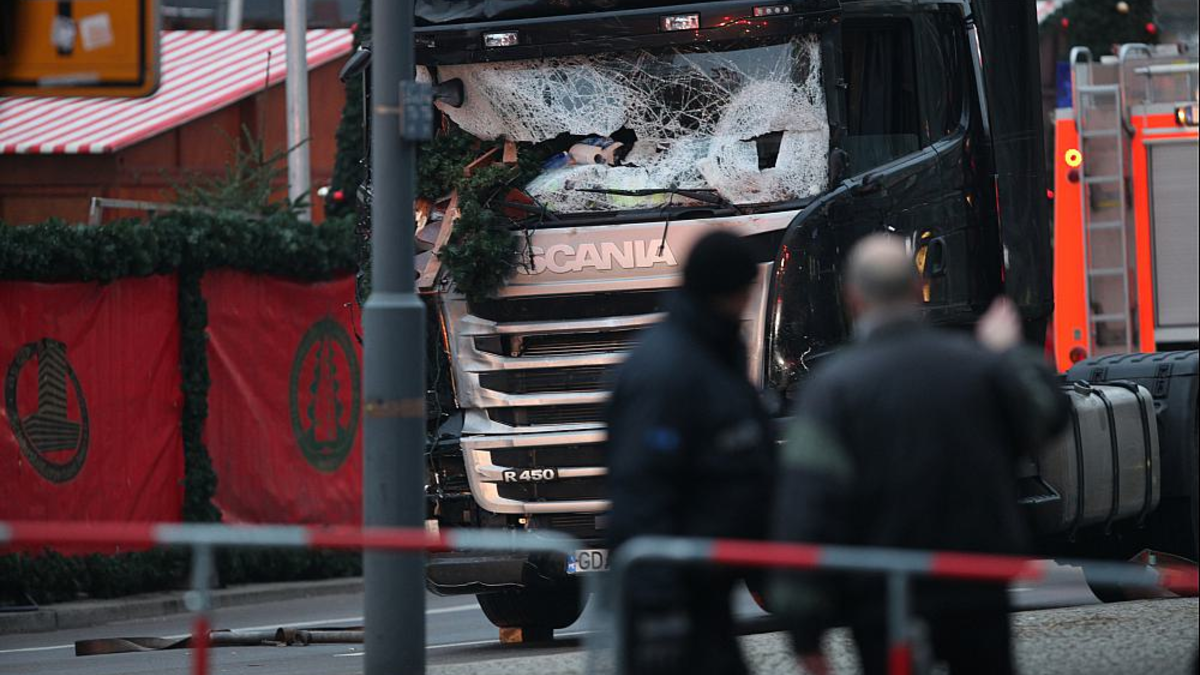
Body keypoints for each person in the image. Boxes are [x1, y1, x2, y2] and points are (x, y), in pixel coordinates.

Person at [770, 234, 1069, 675]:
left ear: (853, 299)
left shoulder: (833, 390)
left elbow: (807, 505)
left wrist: (803, 627)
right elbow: (1048, 416)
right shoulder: (975, 366)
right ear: (917, 289)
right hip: (975, 584)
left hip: (882, 595)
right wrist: (1011, 353)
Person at [606, 230, 776, 675]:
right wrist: (658, 605)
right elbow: (642, 491)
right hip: (676, 594)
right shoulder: (671, 370)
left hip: (704, 585)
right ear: (732, 291)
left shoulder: (710, 353)